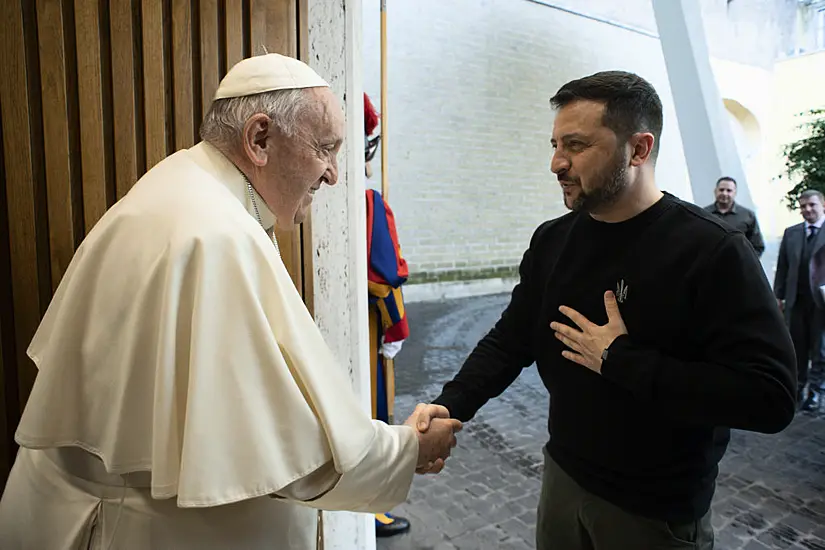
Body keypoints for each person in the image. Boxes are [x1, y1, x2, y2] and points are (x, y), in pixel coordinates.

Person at [0, 53, 462, 550]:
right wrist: (407, 449)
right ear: (259, 139)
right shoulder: (217, 234)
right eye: (325, 149)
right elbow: (288, 452)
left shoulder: (179, 185)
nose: (332, 174)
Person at [424, 70, 796, 550]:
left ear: (638, 150)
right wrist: (449, 406)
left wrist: (622, 360)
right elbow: (511, 338)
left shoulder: (713, 251)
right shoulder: (553, 239)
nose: (556, 163)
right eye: (555, 144)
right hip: (563, 479)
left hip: (653, 511)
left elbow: (770, 397)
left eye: (576, 146)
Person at [363, 91, 414, 537]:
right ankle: (375, 509)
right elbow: (383, 276)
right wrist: (397, 325)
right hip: (367, 326)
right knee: (376, 411)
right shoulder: (368, 201)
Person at [774, 189, 825, 412]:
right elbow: (783, 267)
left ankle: (816, 392)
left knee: (820, 349)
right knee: (796, 348)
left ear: (823, 205)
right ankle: (796, 388)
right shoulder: (791, 233)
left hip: (821, 303)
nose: (807, 210)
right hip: (796, 301)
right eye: (803, 206)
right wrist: (779, 295)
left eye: (812, 205)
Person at [703, 176, 765, 257]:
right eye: (721, 190)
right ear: (715, 191)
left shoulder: (748, 216)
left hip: (738, 267)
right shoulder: (704, 214)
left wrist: (745, 264)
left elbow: (757, 246)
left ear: (735, 193)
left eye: (729, 190)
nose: (724, 193)